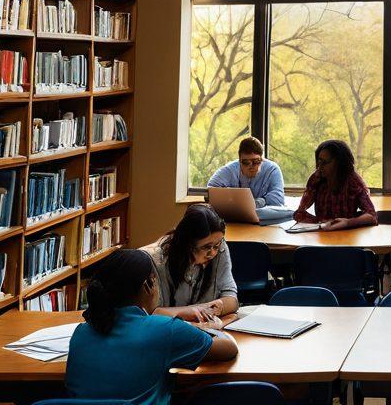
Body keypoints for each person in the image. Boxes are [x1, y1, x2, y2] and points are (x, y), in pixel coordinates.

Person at [66, 247, 238, 404]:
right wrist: (212, 328)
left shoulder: (81, 332)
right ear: (148, 286)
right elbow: (229, 348)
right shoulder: (164, 330)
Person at [147, 204, 239, 323]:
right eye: (206, 247)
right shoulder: (158, 260)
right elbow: (151, 313)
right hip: (168, 331)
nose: (213, 253)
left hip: (205, 328)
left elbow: (232, 299)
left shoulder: (219, 247)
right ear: (188, 245)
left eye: (217, 245)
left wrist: (220, 305)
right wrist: (193, 311)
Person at [293, 138, 377, 230]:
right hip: (322, 235)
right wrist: (320, 222)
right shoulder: (316, 178)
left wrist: (348, 222)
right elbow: (300, 212)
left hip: (347, 234)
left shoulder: (353, 181)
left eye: (325, 162)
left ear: (339, 162)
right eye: (319, 162)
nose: (320, 167)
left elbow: (372, 216)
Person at [207, 135, 286, 208]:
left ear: (262, 159)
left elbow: (279, 199)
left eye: (255, 161)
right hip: (235, 213)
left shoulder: (272, 170)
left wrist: (258, 202)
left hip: (261, 215)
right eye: (246, 162)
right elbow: (210, 191)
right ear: (239, 160)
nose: (250, 166)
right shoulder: (230, 170)